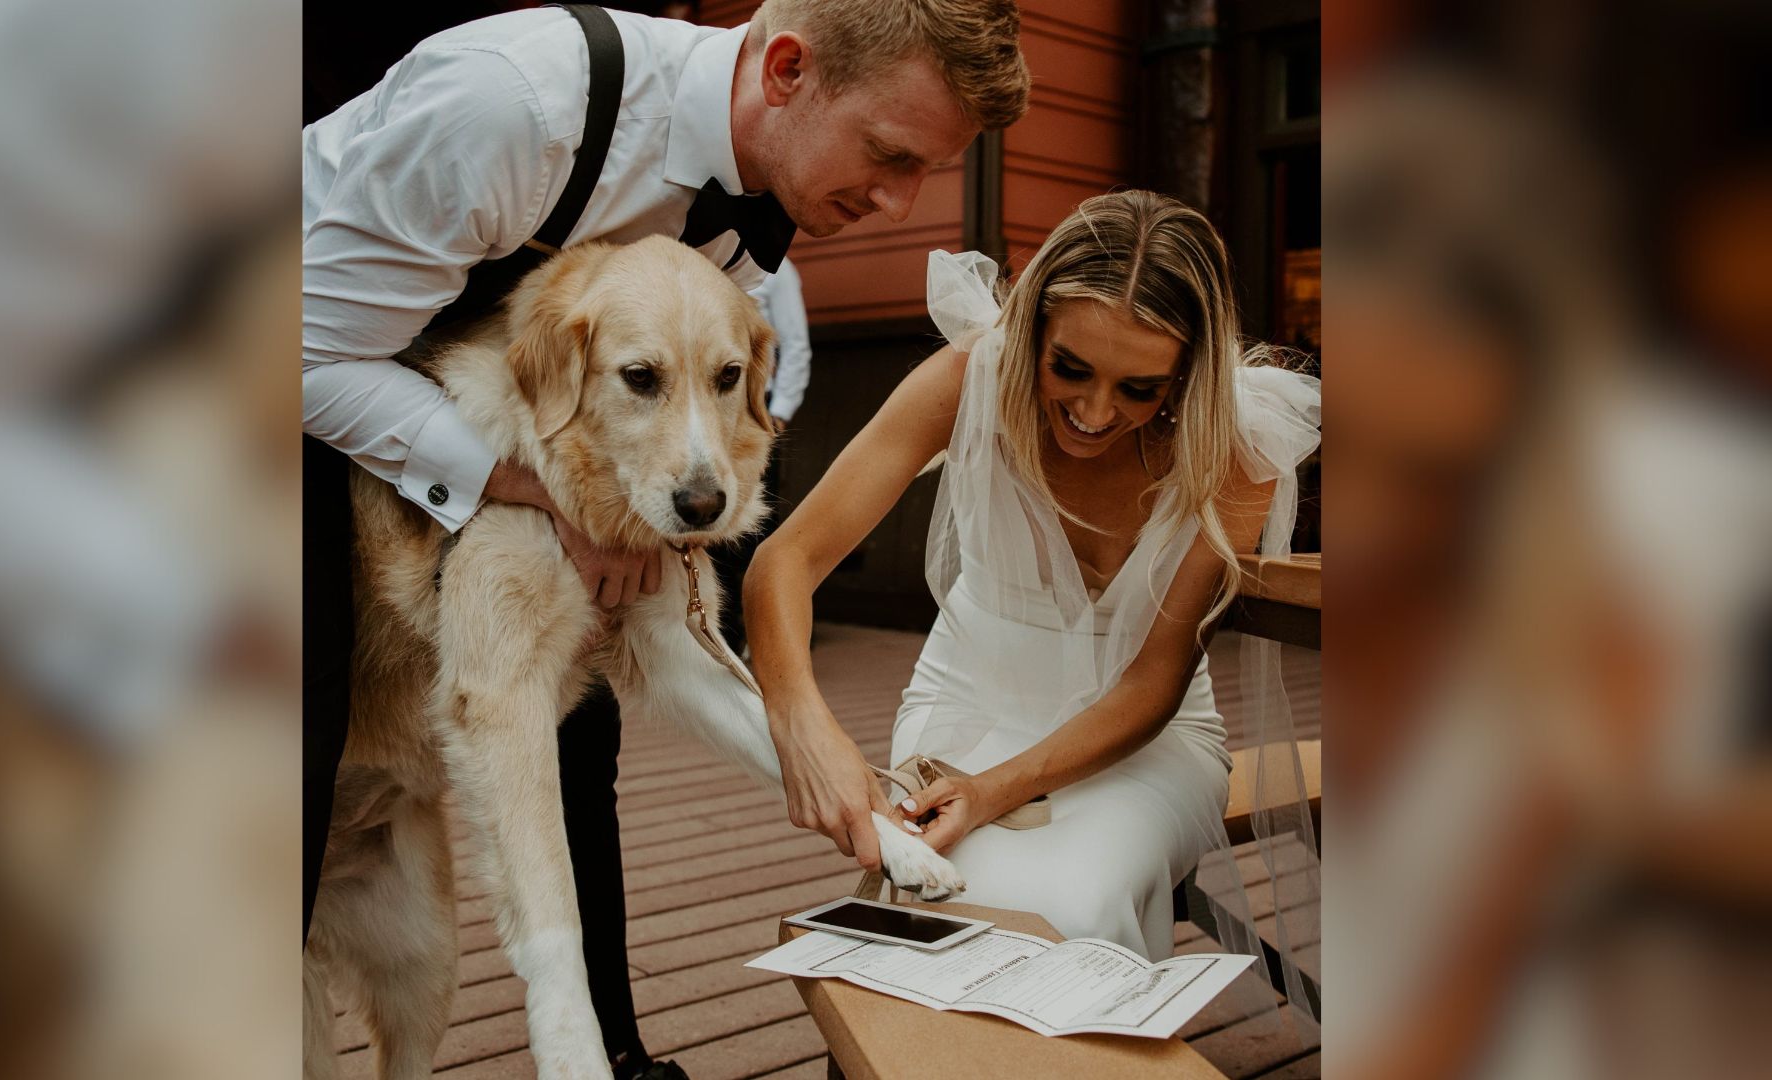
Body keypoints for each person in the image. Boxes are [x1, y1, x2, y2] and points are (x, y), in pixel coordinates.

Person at [302, 3, 1028, 1077]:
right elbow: (302, 351)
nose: (897, 202)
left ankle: (604, 1046)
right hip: (237, 400)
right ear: (786, 70)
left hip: (476, 418)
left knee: (582, 710)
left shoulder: (751, 193)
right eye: (888, 155)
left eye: (924, 171)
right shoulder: (513, 106)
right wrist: (530, 486)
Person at [745, 192, 1321, 977]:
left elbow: (1153, 686)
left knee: (1077, 899)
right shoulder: (966, 379)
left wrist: (990, 792)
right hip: (971, 702)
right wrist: (803, 723)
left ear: (1189, 373)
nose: (1093, 411)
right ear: (1034, 333)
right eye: (1070, 367)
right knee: (955, 894)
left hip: (1147, 740)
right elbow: (786, 561)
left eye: (1140, 389)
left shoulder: (1239, 445)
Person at [718, 254, 812, 655]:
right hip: (711, 412)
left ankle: (768, 633)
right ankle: (722, 634)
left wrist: (779, 413)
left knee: (756, 526)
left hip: (756, 413)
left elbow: (794, 343)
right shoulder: (708, 256)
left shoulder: (778, 269)